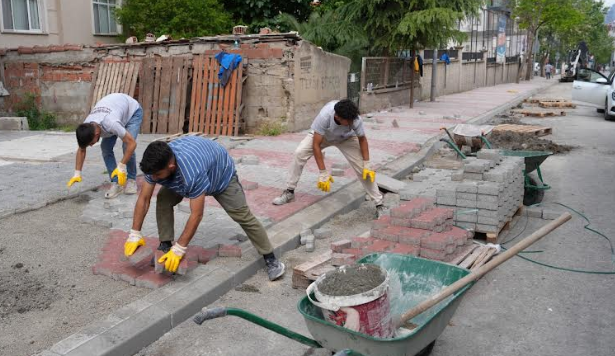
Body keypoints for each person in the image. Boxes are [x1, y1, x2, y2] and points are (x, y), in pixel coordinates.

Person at [124, 137, 286, 281]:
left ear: (171, 166)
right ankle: (165, 245)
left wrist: (180, 248)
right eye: (151, 175)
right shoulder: (156, 164)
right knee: (163, 199)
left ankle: (271, 259)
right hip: (194, 167)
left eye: (157, 175)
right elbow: (144, 199)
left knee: (242, 215)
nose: (153, 179)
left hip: (221, 176)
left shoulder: (191, 172)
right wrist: (135, 233)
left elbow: (196, 214)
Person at [271, 99, 385, 217]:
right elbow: (316, 145)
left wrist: (366, 162)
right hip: (324, 136)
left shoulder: (355, 119)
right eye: (348, 121)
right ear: (338, 117)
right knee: (299, 153)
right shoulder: (325, 116)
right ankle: (289, 192)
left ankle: (379, 203)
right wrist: (323, 172)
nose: (352, 123)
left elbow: (362, 139)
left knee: (364, 170)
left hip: (347, 139)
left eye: (352, 121)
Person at [67, 93, 143, 199]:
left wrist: (121, 166)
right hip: (116, 112)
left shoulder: (111, 123)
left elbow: (132, 144)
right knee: (105, 148)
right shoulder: (87, 126)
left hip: (132, 113)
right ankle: (116, 183)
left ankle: (131, 180)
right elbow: (81, 149)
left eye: (91, 143)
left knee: (126, 146)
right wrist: (77, 173)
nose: (92, 145)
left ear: (97, 134)